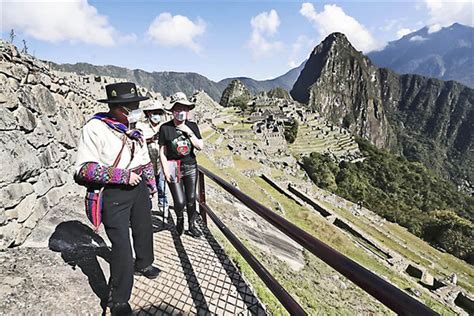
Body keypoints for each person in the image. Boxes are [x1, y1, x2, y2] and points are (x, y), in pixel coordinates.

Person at [74, 82, 160, 316]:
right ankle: (119, 298)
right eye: (130, 106)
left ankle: (143, 264)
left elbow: (143, 161)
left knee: (144, 229)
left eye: (136, 105)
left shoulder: (135, 129)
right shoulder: (95, 129)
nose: (135, 109)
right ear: (116, 107)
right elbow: (83, 170)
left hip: (138, 188)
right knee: (121, 246)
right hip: (113, 194)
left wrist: (150, 185)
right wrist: (121, 176)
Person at [159, 92, 204, 238]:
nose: (181, 112)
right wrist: (165, 169)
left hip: (190, 166)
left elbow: (200, 146)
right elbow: (162, 152)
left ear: (188, 111)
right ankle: (180, 218)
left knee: (191, 199)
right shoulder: (165, 128)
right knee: (179, 201)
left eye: (184, 109)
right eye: (178, 109)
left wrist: (188, 132)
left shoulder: (192, 126)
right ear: (172, 111)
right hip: (173, 166)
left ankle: (191, 225)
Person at [137, 100, 169, 220]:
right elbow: (137, 141)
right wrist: (151, 139)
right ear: (149, 113)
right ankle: (147, 210)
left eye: (160, 113)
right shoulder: (141, 126)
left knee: (162, 187)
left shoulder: (165, 126)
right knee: (146, 189)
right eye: (155, 112)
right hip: (146, 164)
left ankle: (164, 208)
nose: (158, 115)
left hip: (161, 164)